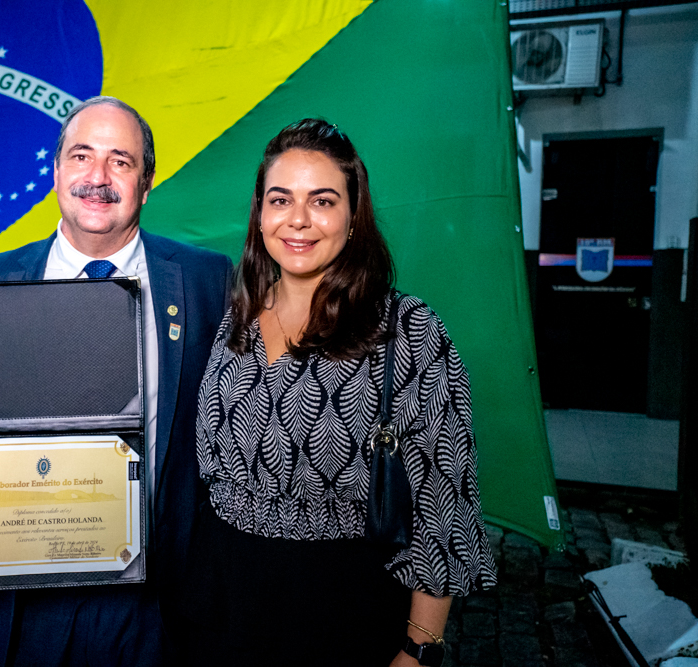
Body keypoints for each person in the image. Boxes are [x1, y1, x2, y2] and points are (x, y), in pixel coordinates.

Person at [0, 96, 233, 666]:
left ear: (146, 183)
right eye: (81, 156)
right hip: (27, 600)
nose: (98, 177)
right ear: (55, 171)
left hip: (158, 603)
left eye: (121, 161)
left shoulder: (206, 279)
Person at [178, 119, 497, 666]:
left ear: (353, 217)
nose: (298, 219)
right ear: (260, 214)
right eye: (281, 200)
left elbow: (443, 504)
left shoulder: (405, 329)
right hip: (217, 606)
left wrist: (418, 649)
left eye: (322, 201)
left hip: (339, 614)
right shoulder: (235, 313)